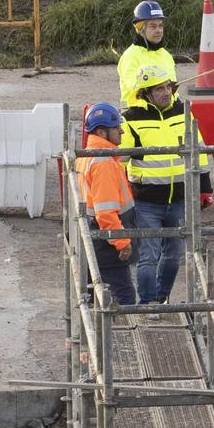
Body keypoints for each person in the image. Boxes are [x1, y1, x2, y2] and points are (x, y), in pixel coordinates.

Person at [120, 74, 212, 305]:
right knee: (149, 256)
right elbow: (118, 159)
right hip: (146, 201)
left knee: (173, 256)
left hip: (180, 199)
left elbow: (198, 151)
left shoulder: (183, 113)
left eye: (168, 87)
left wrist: (204, 187)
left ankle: (160, 298)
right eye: (159, 89)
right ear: (145, 93)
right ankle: (148, 304)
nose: (166, 92)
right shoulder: (130, 119)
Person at [73, 102, 137, 307]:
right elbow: (105, 212)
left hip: (91, 239)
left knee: (93, 297)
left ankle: (94, 337)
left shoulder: (88, 157)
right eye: (116, 127)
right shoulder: (104, 163)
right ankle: (118, 338)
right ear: (101, 131)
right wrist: (121, 242)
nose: (121, 131)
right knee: (123, 298)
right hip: (106, 244)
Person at [118, 0, 177, 110]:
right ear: (140, 29)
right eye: (153, 26)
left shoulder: (166, 56)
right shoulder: (130, 56)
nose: (158, 30)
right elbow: (136, 90)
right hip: (137, 116)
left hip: (166, 114)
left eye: (160, 26)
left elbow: (173, 91)